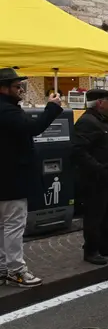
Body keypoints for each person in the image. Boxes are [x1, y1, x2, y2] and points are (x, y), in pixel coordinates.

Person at [0, 68, 62, 287]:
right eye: (17, 87)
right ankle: (16, 270)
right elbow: (33, 127)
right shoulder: (7, 111)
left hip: (6, 180)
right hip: (11, 180)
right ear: (4, 88)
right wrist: (52, 107)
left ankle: (2, 268)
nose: (20, 91)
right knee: (14, 226)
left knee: (2, 227)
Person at [72, 89, 108, 265]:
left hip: (107, 176)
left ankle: (104, 244)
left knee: (107, 211)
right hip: (94, 178)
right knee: (94, 214)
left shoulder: (104, 120)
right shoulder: (87, 122)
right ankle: (91, 249)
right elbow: (79, 150)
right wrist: (98, 168)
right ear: (100, 102)